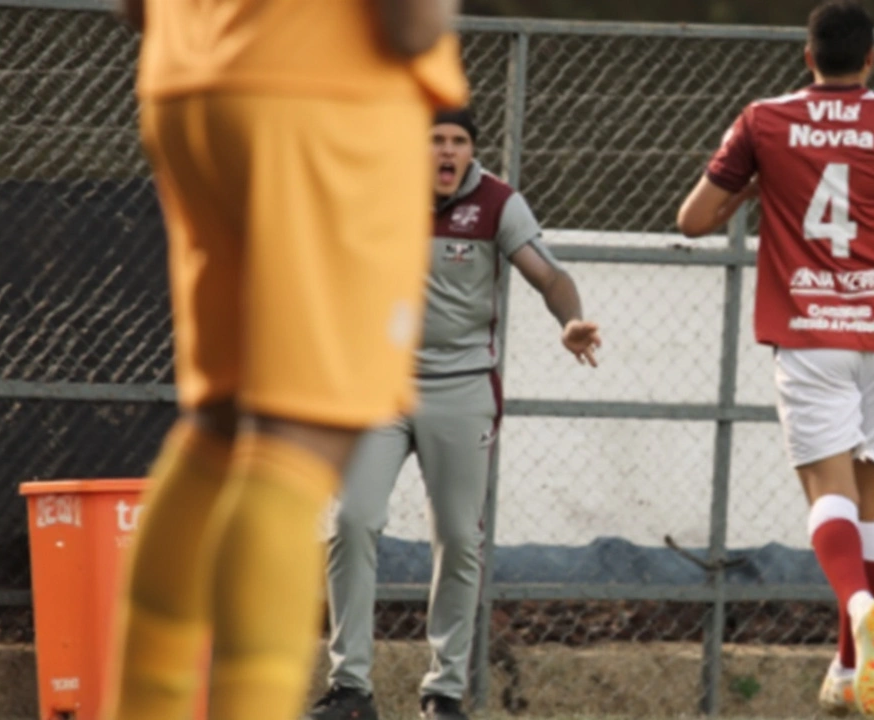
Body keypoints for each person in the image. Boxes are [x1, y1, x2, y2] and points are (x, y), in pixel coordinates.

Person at [103, 2, 467, 720]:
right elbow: (412, 24)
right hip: (322, 93)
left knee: (218, 428)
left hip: (184, 80)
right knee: (296, 443)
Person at [676, 1, 874, 715]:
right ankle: (850, 670)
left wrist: (760, 184)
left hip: (810, 329)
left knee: (828, 491)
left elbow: (693, 220)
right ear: (873, 58)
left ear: (807, 55)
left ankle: (856, 606)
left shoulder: (762, 119)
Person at [304, 109, 602, 720]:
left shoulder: (497, 204)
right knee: (353, 520)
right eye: (435, 140)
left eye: (458, 142)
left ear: (471, 152)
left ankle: (442, 694)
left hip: (462, 391)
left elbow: (550, 276)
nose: (446, 151)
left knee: (461, 538)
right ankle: (351, 691)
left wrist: (570, 321)